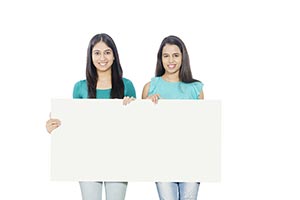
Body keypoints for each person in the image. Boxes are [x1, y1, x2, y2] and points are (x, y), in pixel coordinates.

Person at [46, 33, 136, 200]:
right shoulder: (80, 87)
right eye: (97, 53)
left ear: (114, 56)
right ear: (90, 56)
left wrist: (133, 107)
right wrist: (56, 127)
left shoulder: (127, 86)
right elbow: (74, 126)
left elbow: (136, 125)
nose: (102, 57)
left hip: (118, 156)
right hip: (87, 157)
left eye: (107, 52)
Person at [142, 35, 204, 200]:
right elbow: (142, 129)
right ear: (160, 58)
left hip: (191, 159)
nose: (171, 60)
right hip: (162, 160)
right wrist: (146, 107)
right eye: (166, 55)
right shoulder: (150, 87)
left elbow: (202, 127)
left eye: (176, 55)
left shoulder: (195, 88)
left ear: (183, 57)